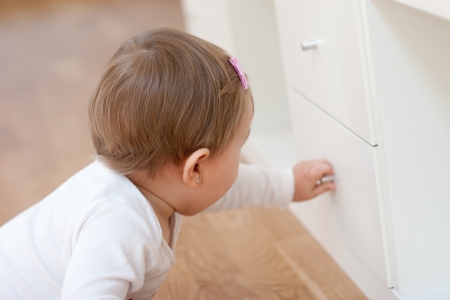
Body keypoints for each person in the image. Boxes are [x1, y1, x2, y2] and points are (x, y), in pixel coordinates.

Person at [0, 28, 335, 299]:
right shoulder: (120, 229)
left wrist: (288, 184)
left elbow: (227, 186)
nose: (240, 158)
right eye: (240, 145)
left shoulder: (155, 181)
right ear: (196, 168)